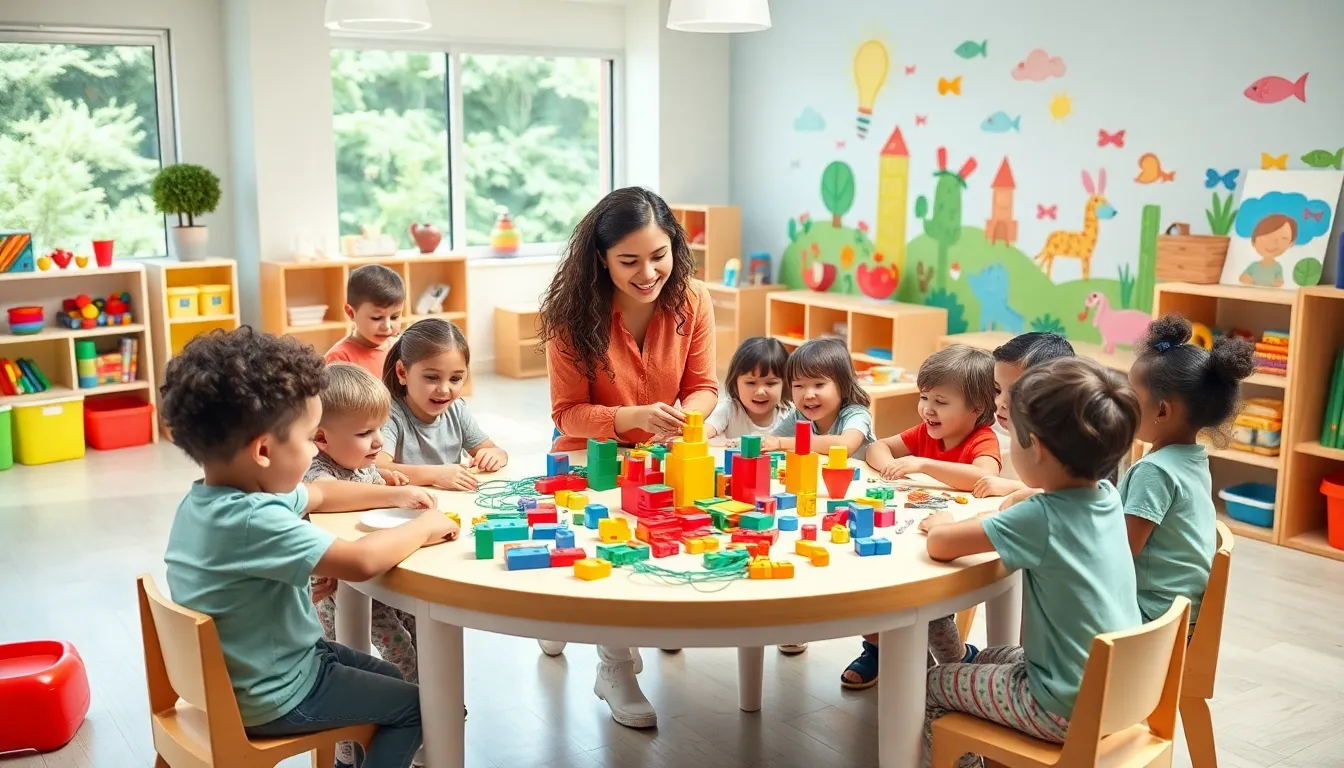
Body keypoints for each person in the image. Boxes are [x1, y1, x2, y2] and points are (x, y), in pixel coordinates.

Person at [160, 328, 457, 768]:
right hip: (274, 693)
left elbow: (317, 493)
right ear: (263, 449)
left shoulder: (213, 498)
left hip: (250, 671)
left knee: (389, 675)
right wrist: (427, 525)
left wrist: (393, 494)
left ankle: (347, 762)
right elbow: (362, 561)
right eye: (307, 438)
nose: (312, 449)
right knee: (416, 707)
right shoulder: (254, 520)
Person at [536, 186, 719, 729]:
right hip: (586, 456)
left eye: (659, 256)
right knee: (609, 541)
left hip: (667, 447)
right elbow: (566, 413)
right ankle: (613, 666)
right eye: (629, 261)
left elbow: (706, 387)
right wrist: (628, 420)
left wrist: (684, 418)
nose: (647, 273)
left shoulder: (693, 299)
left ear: (675, 248)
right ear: (601, 259)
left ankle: (572, 615)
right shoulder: (569, 315)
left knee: (690, 526)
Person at [919, 357, 1143, 768]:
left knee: (931, 685)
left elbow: (941, 544)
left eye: (1014, 438)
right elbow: (1041, 509)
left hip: (1059, 706)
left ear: (1035, 447)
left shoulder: (1041, 518)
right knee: (981, 658)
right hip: (1117, 691)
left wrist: (944, 520)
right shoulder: (1108, 496)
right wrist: (1025, 498)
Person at [841, 344, 1001, 689]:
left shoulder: (981, 439)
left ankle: (953, 664)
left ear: (977, 408)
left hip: (953, 542)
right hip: (912, 527)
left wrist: (922, 463)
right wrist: (892, 469)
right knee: (868, 579)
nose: (927, 409)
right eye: (925, 397)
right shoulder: (922, 432)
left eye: (941, 402)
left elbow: (983, 476)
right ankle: (879, 649)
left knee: (924, 600)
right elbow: (876, 447)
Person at [1123, 315, 1254, 627]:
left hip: (1150, 619)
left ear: (1162, 411)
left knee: (1047, 580)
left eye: (1132, 396)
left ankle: (1038, 673)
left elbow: (1121, 554)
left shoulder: (1155, 472)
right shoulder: (1192, 460)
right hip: (1179, 615)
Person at [376, 319, 507, 491]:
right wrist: (436, 475)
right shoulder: (389, 414)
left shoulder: (456, 410)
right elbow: (379, 468)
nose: (444, 390)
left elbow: (495, 450)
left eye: (455, 379)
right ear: (402, 372)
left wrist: (494, 455)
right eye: (432, 377)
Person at [973, 332, 1075, 498]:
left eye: (1017, 393)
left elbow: (1070, 495)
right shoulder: (992, 425)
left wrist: (1015, 488)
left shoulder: (1067, 445)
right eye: (997, 390)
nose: (1000, 403)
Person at [760, 337, 875, 459]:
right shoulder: (799, 416)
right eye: (798, 386)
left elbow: (845, 445)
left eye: (819, 385)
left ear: (843, 386)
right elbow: (772, 440)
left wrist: (782, 443)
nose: (808, 395)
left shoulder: (856, 414)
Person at [704, 336, 792, 441]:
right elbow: (703, 433)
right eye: (751, 382)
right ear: (735, 382)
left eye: (770, 383)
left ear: (785, 383)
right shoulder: (729, 410)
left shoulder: (789, 414)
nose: (760, 392)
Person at [326, 264, 406, 376]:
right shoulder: (338, 359)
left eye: (395, 317)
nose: (387, 326)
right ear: (351, 313)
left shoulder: (400, 349)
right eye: (376, 318)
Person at [1238, 214, 1296, 288]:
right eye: (1266, 238)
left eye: (1283, 238)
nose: (1273, 243)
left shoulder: (1277, 267)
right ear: (1253, 242)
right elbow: (1243, 279)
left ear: (1291, 244)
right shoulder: (1254, 266)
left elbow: (1280, 282)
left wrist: (1277, 283)